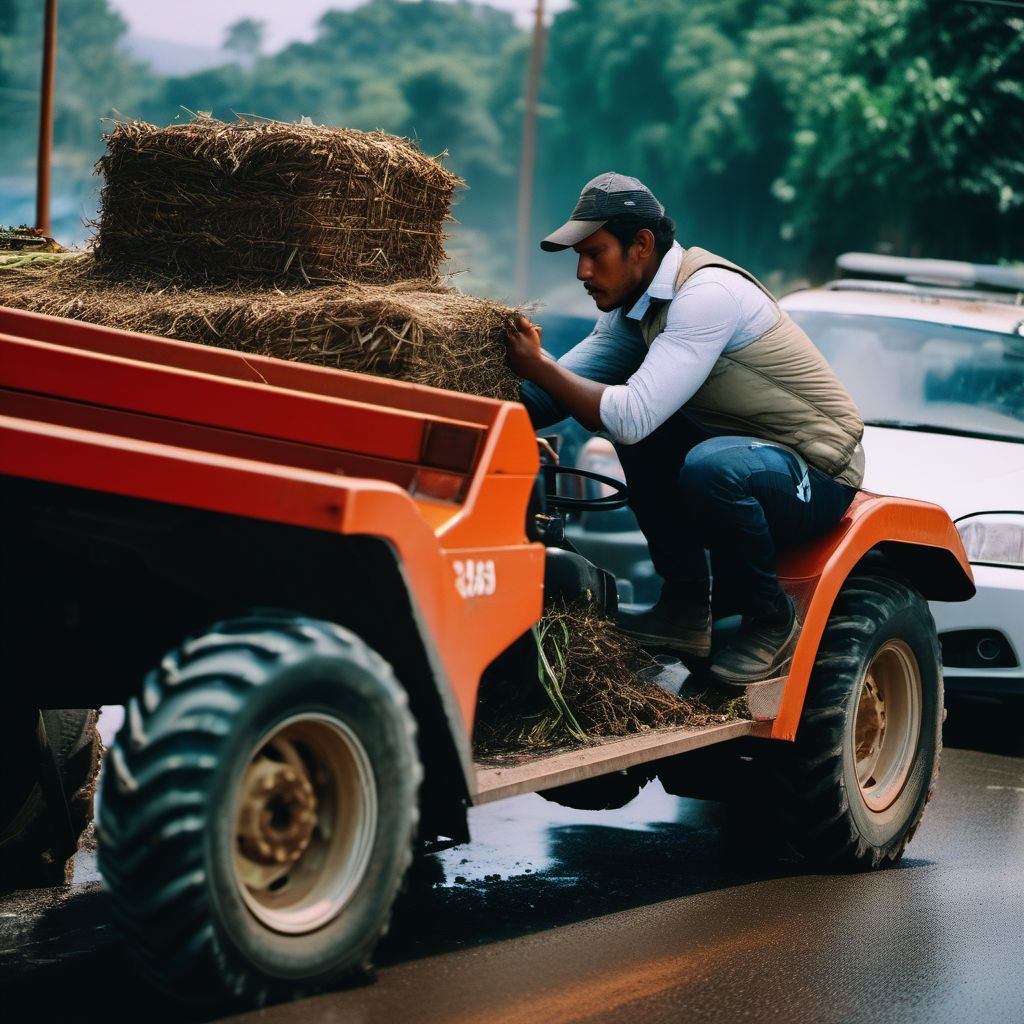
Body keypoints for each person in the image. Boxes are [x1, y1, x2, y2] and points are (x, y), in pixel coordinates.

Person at [507, 172, 864, 685]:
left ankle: (771, 618)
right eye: (577, 257)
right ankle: (684, 606)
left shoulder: (706, 295)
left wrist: (538, 364)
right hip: (746, 456)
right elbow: (553, 392)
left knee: (705, 465)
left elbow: (627, 416)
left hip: (818, 469)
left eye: (595, 253)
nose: (582, 271)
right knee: (670, 442)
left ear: (642, 245)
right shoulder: (633, 309)